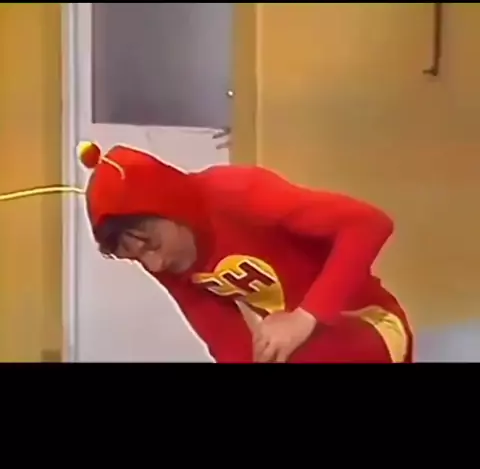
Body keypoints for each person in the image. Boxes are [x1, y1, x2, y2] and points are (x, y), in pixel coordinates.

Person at [76, 140, 414, 364]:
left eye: (152, 245)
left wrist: (304, 317)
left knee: (287, 354)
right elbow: (225, 340)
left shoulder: (238, 193)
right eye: (137, 258)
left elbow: (370, 224)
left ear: (170, 207)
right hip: (301, 341)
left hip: (372, 322)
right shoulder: (164, 257)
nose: (154, 263)